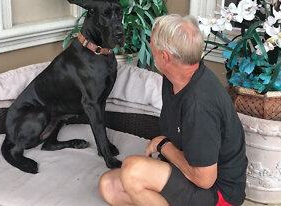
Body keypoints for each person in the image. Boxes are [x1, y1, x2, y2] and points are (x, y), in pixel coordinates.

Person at [98, 14, 248, 206]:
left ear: (164, 56)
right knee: (109, 185)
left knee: (133, 170)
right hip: (188, 172)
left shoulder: (200, 104)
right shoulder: (173, 79)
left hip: (218, 194)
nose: (149, 46)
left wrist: (163, 146)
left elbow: (204, 179)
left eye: (151, 43)